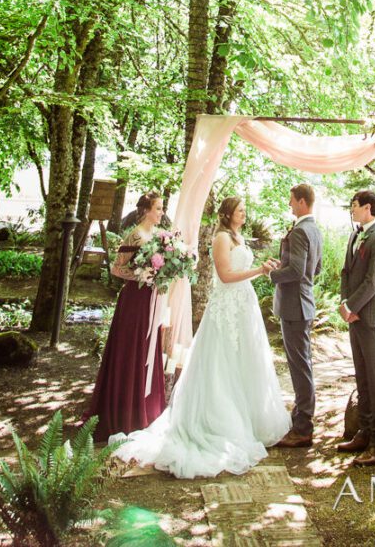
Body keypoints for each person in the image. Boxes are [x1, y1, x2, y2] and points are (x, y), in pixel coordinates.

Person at [110, 196, 291, 478]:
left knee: (246, 361)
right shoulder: (220, 238)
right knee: (222, 365)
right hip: (225, 308)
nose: (244, 214)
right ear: (228, 214)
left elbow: (239, 271)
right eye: (240, 210)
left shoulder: (239, 237)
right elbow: (226, 275)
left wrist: (262, 267)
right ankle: (221, 423)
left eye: (245, 209)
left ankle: (251, 420)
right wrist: (260, 271)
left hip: (243, 306)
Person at [83, 190, 167, 442]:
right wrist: (142, 276)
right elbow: (117, 268)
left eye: (162, 208)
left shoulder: (157, 235)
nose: (161, 213)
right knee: (132, 350)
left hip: (151, 299)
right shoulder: (134, 234)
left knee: (148, 350)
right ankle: (125, 413)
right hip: (134, 300)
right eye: (158, 208)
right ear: (146, 210)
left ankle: (147, 407)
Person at [336, 189, 375, 466]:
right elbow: (346, 272)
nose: (351, 209)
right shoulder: (355, 234)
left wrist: (353, 307)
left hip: (370, 318)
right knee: (362, 378)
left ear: (368, 208)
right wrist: (344, 303)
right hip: (354, 316)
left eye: (354, 205)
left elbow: (373, 281)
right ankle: (364, 433)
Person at [269, 183, 323, 447]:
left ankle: (303, 427)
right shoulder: (314, 229)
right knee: (303, 364)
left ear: (302, 202)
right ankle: (301, 418)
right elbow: (316, 269)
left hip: (295, 306)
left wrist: (272, 274)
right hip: (304, 303)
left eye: (291, 200)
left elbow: (298, 272)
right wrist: (285, 266)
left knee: (300, 366)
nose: (289, 204)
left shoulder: (301, 230)